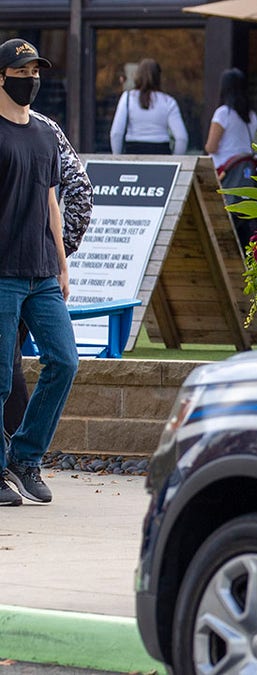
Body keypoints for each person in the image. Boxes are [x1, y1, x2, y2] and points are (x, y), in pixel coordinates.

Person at [0, 38, 80, 505]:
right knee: (1, 379)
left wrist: (62, 264)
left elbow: (52, 201)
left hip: (42, 273)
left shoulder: (46, 134)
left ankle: (25, 458)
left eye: (36, 71)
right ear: (2, 76)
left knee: (64, 361)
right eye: (22, 70)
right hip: (3, 272)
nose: (31, 79)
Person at [4, 108, 92, 443]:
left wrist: (57, 255)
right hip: (31, 266)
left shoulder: (42, 129)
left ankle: (18, 453)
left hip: (32, 270)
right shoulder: (46, 127)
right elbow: (81, 192)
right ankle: (15, 454)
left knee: (27, 363)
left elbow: (69, 195)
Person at [109, 58, 188, 154]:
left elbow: (116, 134)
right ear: (159, 77)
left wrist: (117, 159)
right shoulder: (168, 101)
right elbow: (181, 138)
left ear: (137, 76)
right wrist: (176, 161)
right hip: (161, 154)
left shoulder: (128, 98)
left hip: (133, 153)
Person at [205, 68, 257, 179]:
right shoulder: (252, 116)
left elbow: (211, 147)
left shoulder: (223, 113)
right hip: (245, 168)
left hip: (224, 171)